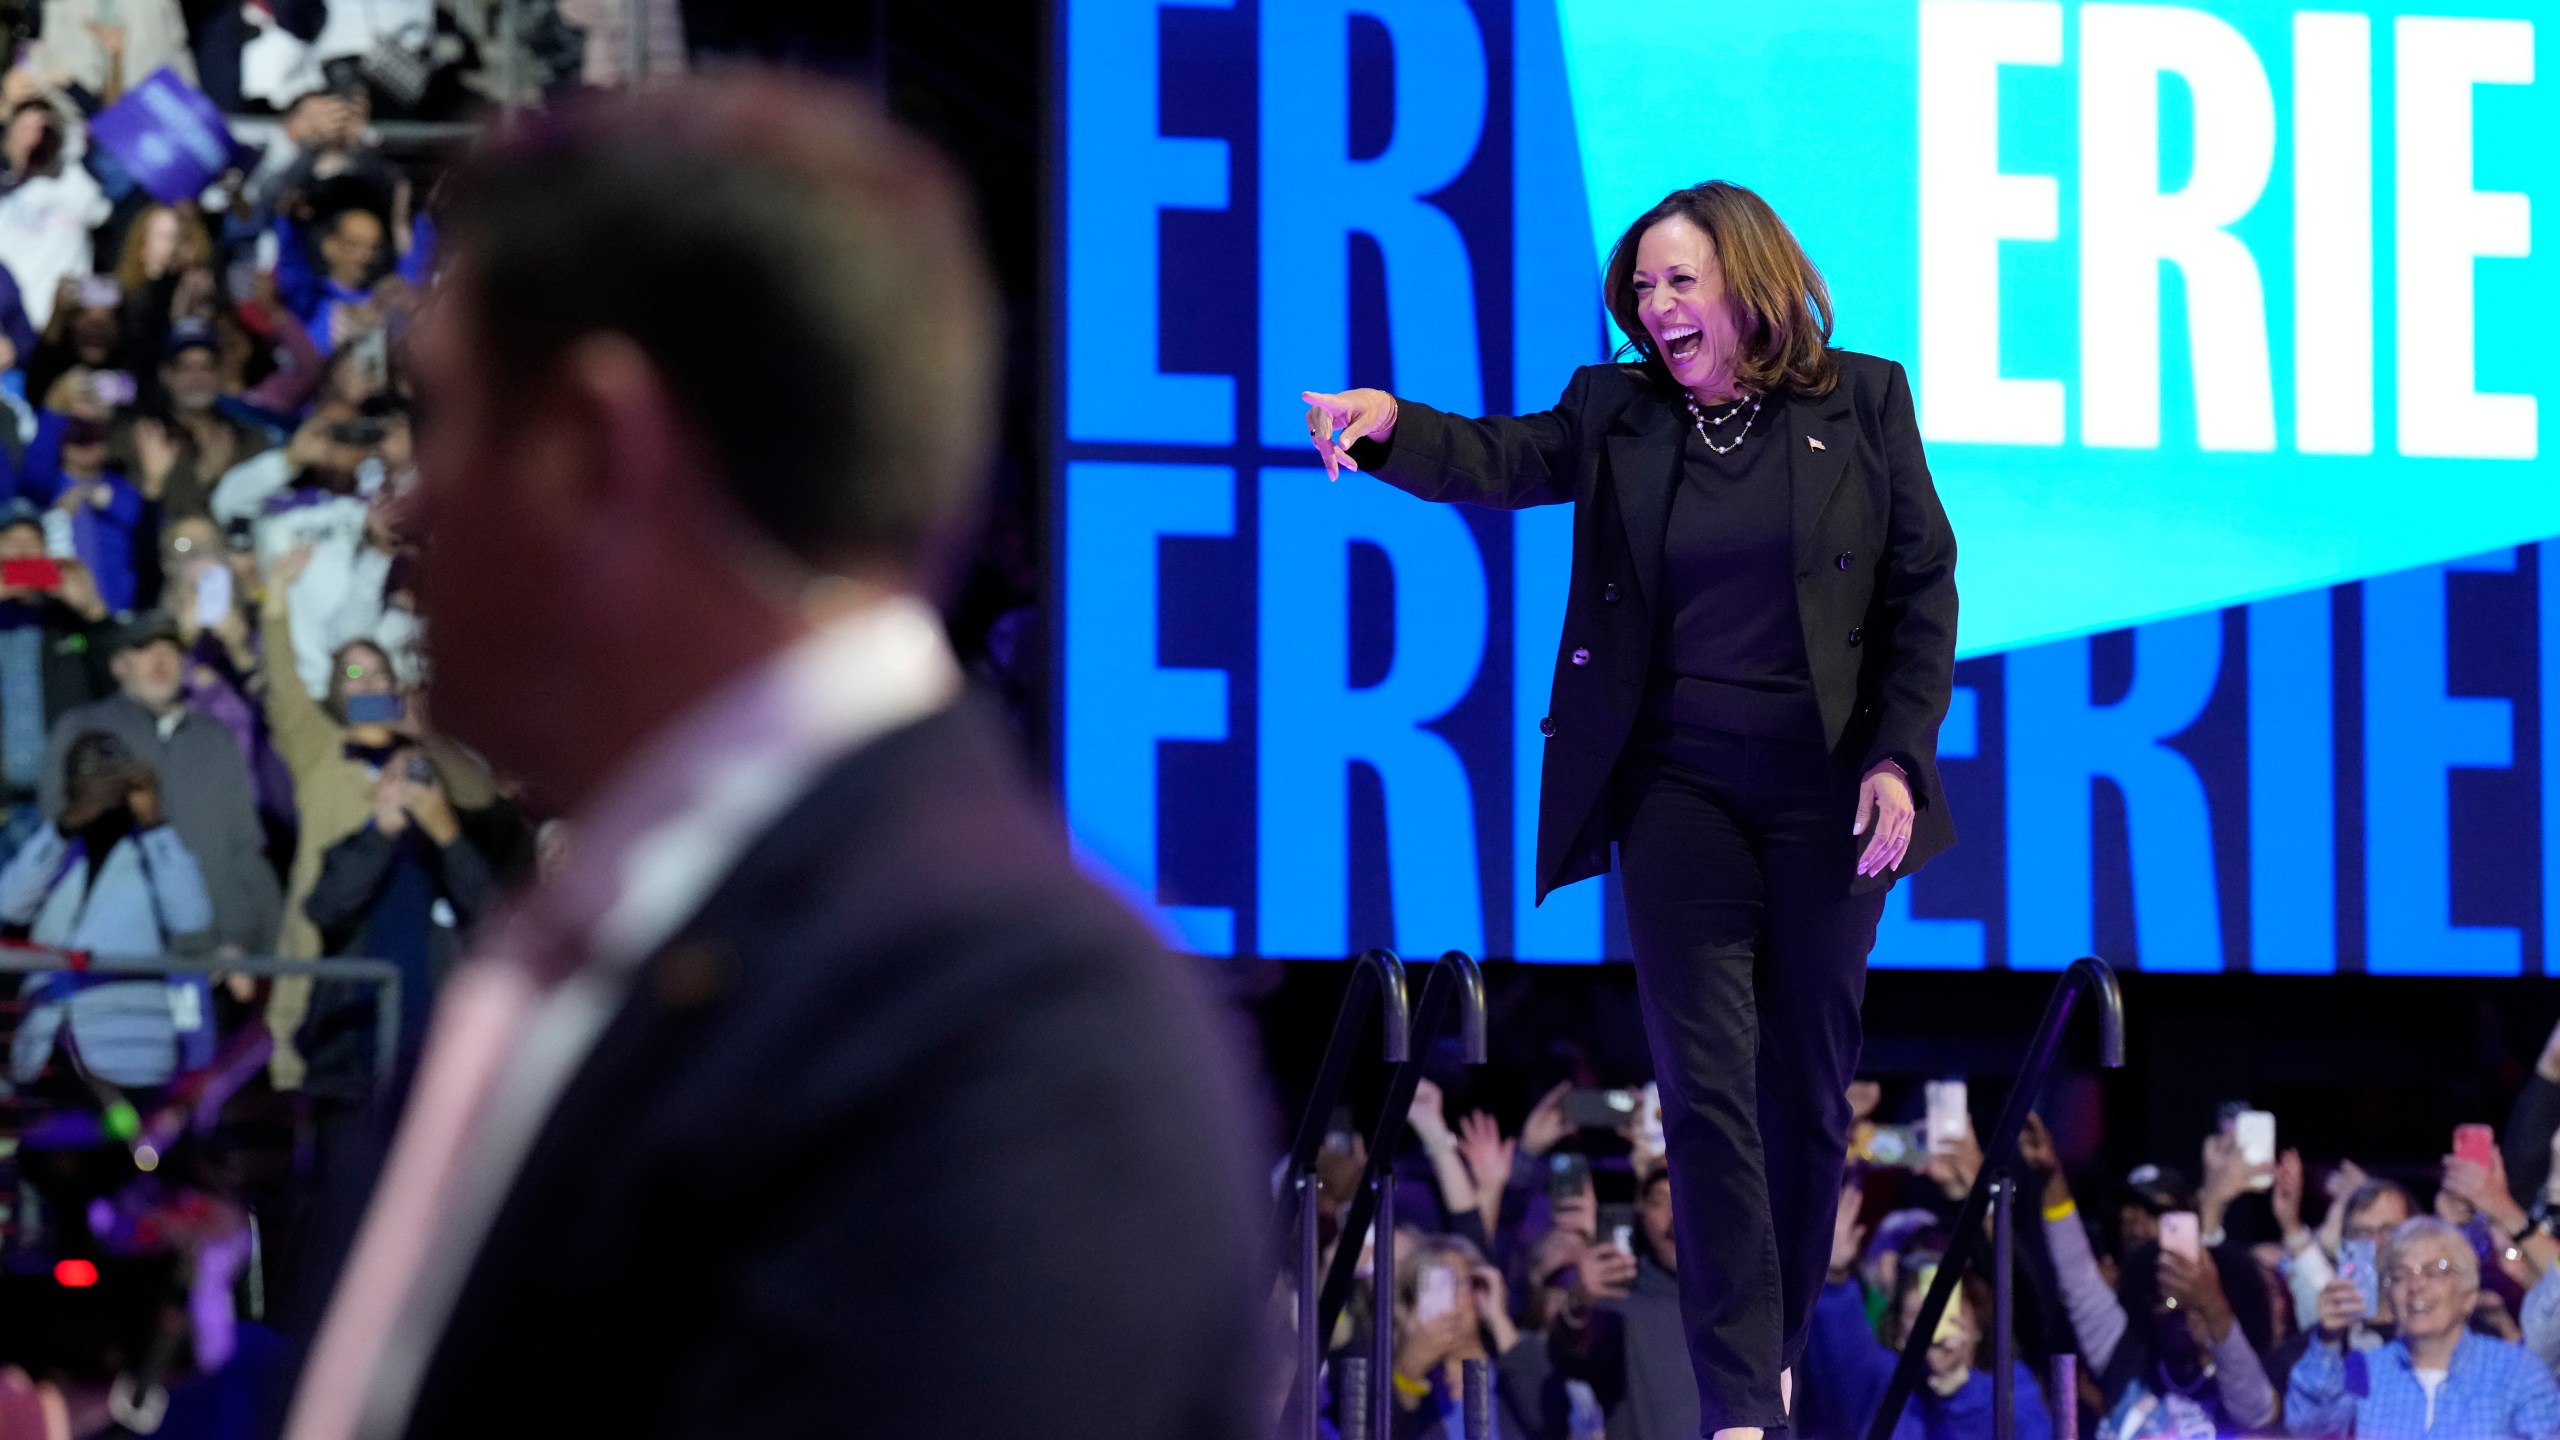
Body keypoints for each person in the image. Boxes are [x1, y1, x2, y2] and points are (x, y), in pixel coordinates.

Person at [278, 75, 1266, 1440]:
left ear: (592, 450)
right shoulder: (612, 941)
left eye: (440, 422)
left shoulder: (1004, 1042)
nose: (399, 507)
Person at [1302, 179, 1959, 1439]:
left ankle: (1764, 1346)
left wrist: (1898, 758)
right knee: (1704, 1085)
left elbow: (1921, 590)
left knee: (1804, 1090)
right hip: (1676, 789)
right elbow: (1504, 457)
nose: (1655, 308)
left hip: (1827, 795)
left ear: (1749, 282)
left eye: (1678, 282)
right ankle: (1737, 1407)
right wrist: (1390, 427)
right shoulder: (1618, 413)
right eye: (1642, 288)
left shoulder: (1861, 400)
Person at [37, 609, 280, 955]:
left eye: (171, 649)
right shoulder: (82, 731)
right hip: (108, 954)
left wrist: (236, 939)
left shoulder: (215, 739)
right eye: (144, 648)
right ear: (119, 666)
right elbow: (56, 831)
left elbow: (244, 849)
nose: (160, 659)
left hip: (210, 955)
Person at [2, 731, 214, 1089]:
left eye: (109, 772)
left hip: (127, 1055)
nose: (100, 785)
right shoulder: (49, 848)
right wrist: (66, 826)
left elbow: (191, 919)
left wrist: (153, 822)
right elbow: (8, 906)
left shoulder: (155, 850)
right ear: (68, 785)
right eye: (86, 773)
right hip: (45, 1055)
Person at [297, 744, 502, 1098]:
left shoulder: (459, 856)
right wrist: (381, 833)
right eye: (392, 776)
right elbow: (325, 910)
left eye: (418, 775)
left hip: (437, 1074)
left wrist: (447, 835)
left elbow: (491, 916)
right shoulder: (355, 850)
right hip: (353, 1072)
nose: (405, 786)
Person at [1806, 1184, 2054, 1440]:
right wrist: (1833, 1278)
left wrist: (1956, 1387)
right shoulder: (1883, 1385)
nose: (1934, 1327)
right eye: (1918, 1316)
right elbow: (1843, 1353)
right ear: (1900, 1332)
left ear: (1977, 1321)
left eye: (1947, 1309)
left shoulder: (2013, 1388)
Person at [2290, 1216, 2560, 1439]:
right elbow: (2307, 1429)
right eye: (2400, 1275)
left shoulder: (2518, 1372)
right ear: (2391, 1300)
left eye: (2434, 1271)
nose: (2416, 1285)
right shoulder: (2365, 1369)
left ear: (2469, 1295)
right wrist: (2328, 1340)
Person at [0, 499, 110, 859]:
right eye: (10, 543)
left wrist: (94, 612)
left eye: (33, 544)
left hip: (63, 807)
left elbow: (117, 684)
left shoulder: (68, 621)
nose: (22, 554)